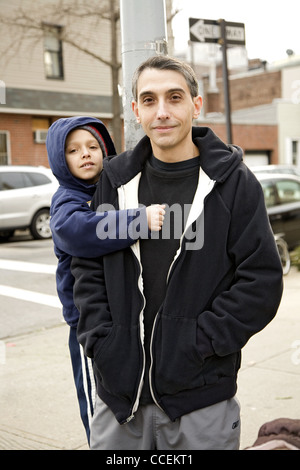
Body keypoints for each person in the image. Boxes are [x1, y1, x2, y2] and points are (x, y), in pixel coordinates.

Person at [71, 56, 283, 450]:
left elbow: (262, 282)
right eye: (149, 100)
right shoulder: (114, 182)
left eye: (174, 97)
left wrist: (200, 342)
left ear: (195, 105)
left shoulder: (234, 184)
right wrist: (102, 342)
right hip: (120, 401)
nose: (162, 111)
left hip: (200, 399)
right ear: (136, 110)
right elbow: (88, 267)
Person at [46, 115, 165, 444]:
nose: (85, 154)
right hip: (86, 326)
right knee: (97, 406)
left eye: (93, 146)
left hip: (122, 315)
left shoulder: (112, 188)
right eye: (73, 150)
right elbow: (80, 231)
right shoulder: (67, 201)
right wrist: (138, 221)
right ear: (59, 158)